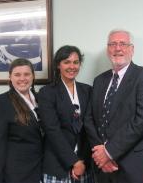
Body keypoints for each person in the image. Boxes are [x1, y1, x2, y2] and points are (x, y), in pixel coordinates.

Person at [84, 29, 143, 183]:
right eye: (112, 44)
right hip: (103, 168)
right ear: (107, 50)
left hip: (134, 166)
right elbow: (89, 118)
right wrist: (101, 154)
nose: (117, 48)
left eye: (123, 44)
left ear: (132, 49)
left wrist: (109, 152)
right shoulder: (99, 80)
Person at [38, 45, 94, 183]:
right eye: (66, 62)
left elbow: (90, 127)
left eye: (76, 62)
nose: (72, 66)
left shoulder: (87, 90)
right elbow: (52, 131)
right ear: (58, 65)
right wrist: (74, 162)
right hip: (58, 165)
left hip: (84, 164)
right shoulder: (47, 92)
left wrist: (83, 161)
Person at [0, 58, 43, 183]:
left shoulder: (41, 99)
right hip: (16, 175)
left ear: (33, 76)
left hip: (42, 171)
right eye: (17, 74)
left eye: (27, 74)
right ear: (10, 77)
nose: (22, 78)